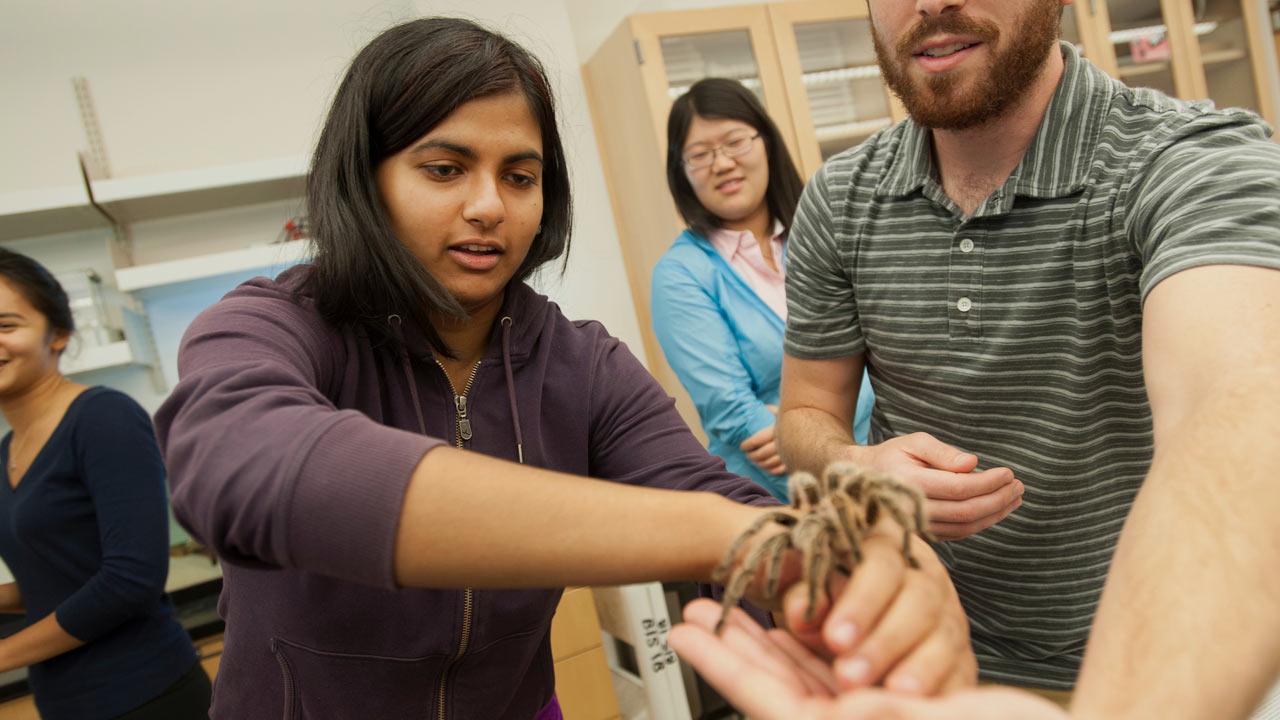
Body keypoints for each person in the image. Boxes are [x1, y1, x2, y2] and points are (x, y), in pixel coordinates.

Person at [153, 18, 972, 720]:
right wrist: (732, 536)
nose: (489, 206)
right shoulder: (275, 324)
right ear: (365, 180)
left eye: (521, 175)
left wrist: (857, 577)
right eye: (443, 169)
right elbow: (245, 466)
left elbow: (704, 490)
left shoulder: (581, 365)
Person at [775, 0, 1280, 714]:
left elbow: (1245, 404)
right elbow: (804, 414)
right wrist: (855, 467)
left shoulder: (1185, 158)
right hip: (924, 668)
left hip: (1162, 663)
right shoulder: (840, 200)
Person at [0, 249, 211, 720]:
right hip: (64, 701)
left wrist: (3, 656)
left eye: (6, 325)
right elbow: (55, 578)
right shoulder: (7, 450)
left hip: (146, 695)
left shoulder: (102, 418)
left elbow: (130, 580)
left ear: (58, 335)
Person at [651, 78, 875, 501]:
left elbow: (884, 351)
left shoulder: (822, 234)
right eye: (699, 155)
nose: (721, 163)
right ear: (681, 173)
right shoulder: (681, 274)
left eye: (735, 142)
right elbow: (733, 412)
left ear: (765, 141)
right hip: (776, 502)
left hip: (881, 469)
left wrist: (803, 433)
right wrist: (833, 442)